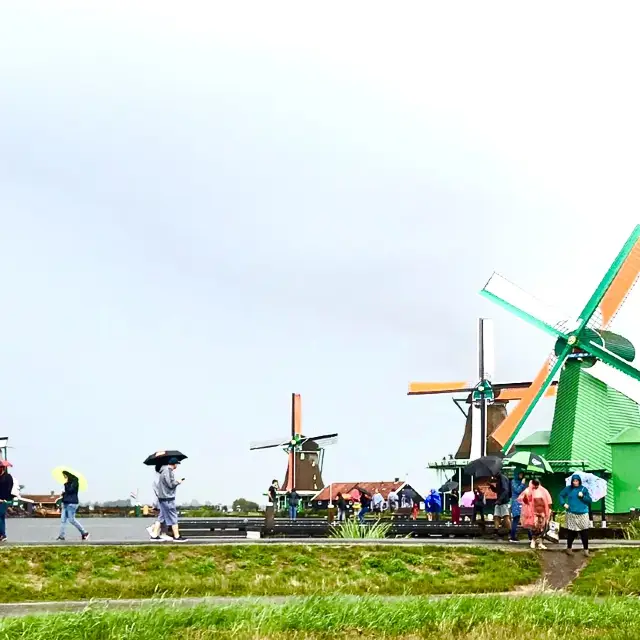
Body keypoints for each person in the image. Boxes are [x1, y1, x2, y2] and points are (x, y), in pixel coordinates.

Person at [153, 457, 187, 542]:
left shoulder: (163, 471)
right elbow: (170, 485)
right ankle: (176, 536)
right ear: (174, 464)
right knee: (173, 516)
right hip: (168, 498)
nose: (177, 466)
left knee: (161, 517)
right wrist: (178, 482)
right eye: (176, 464)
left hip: (162, 498)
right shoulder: (168, 472)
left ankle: (154, 535)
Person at [560, 474, 592, 557]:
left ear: (579, 481)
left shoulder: (584, 489)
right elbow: (561, 495)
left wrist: (583, 497)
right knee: (571, 532)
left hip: (583, 514)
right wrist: (564, 504)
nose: (575, 482)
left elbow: (589, 500)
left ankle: (586, 550)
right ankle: (569, 549)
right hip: (571, 513)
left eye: (577, 481)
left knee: (584, 532)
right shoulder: (568, 489)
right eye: (574, 481)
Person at [519, 478, 552, 550]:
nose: (536, 486)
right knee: (535, 527)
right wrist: (526, 497)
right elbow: (525, 501)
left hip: (543, 512)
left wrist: (549, 511)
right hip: (534, 512)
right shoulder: (529, 490)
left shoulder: (543, 491)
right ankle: (533, 541)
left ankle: (540, 543)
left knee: (543, 528)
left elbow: (549, 502)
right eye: (535, 485)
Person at [56, 471, 89, 541]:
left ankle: (84, 532)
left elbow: (71, 491)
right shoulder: (67, 483)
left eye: (65, 476)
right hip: (65, 503)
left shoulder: (75, 482)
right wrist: (63, 494)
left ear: (68, 475)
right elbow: (67, 492)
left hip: (72, 503)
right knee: (63, 520)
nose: (64, 477)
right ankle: (61, 536)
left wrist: (65, 486)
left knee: (71, 520)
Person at [509, 471, 527, 542]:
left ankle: (531, 536)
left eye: (522, 474)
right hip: (516, 502)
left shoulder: (522, 482)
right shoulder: (513, 481)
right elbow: (517, 490)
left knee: (526, 518)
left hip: (523, 502)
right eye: (519, 474)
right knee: (516, 519)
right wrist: (522, 484)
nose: (521, 475)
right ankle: (512, 536)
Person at [0, 462, 14, 542]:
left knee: (0, 516)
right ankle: (2, 534)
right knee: (1, 518)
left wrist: (4, 498)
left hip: (4, 500)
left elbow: (9, 488)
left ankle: (3, 534)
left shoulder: (8, 477)